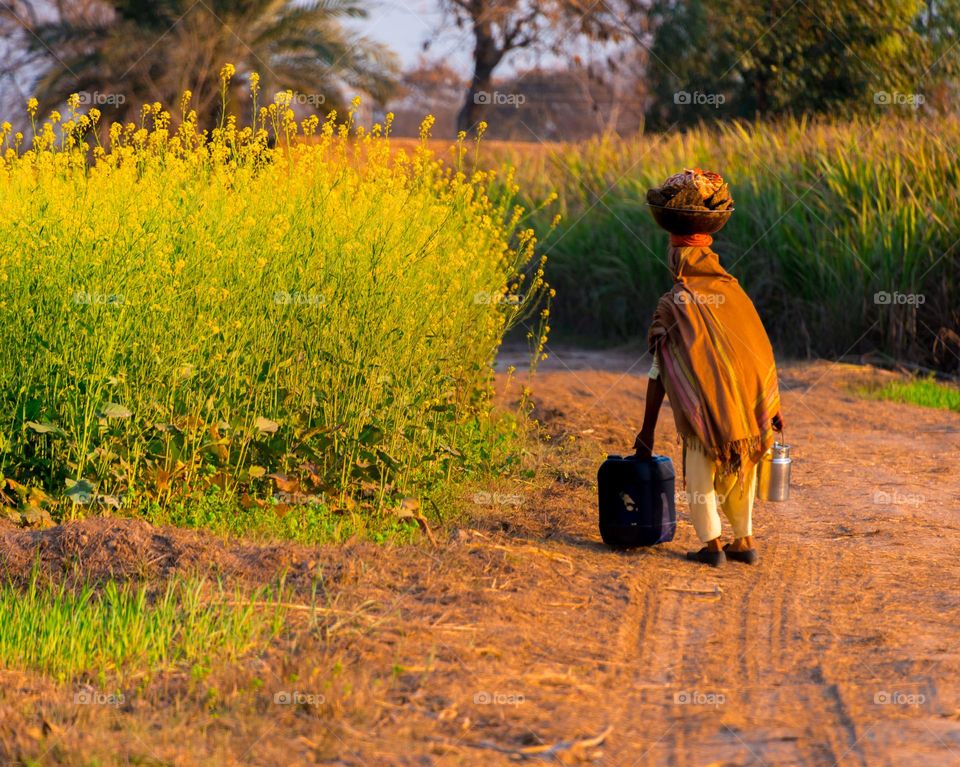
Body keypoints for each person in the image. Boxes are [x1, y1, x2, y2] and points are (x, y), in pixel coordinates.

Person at [633, 232, 784, 566]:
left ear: (678, 260)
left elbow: (658, 372)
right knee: (740, 463)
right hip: (743, 406)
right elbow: (760, 350)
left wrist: (647, 430)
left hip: (702, 409)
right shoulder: (734, 292)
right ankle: (744, 539)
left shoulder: (674, 304)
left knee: (700, 469)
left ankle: (713, 545)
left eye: (673, 253)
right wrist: (772, 404)